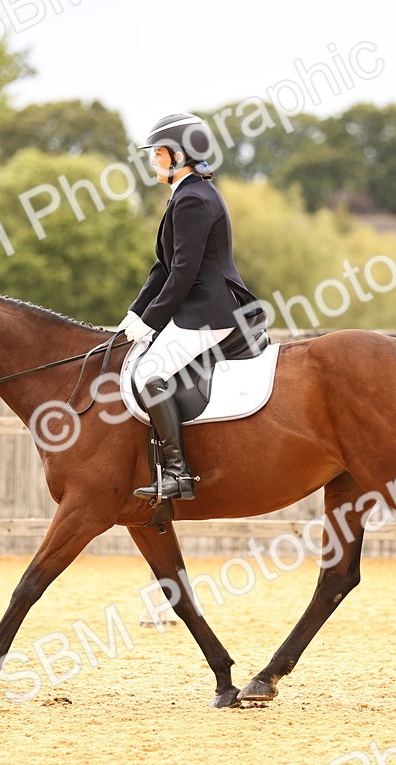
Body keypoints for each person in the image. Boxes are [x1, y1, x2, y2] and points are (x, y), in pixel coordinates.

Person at [119, 112, 260, 501]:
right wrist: (135, 313)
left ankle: (178, 474)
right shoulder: (185, 195)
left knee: (149, 373)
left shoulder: (194, 199)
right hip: (197, 307)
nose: (153, 160)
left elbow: (183, 272)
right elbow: (163, 267)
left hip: (206, 313)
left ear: (178, 156)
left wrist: (152, 321)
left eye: (159, 153)